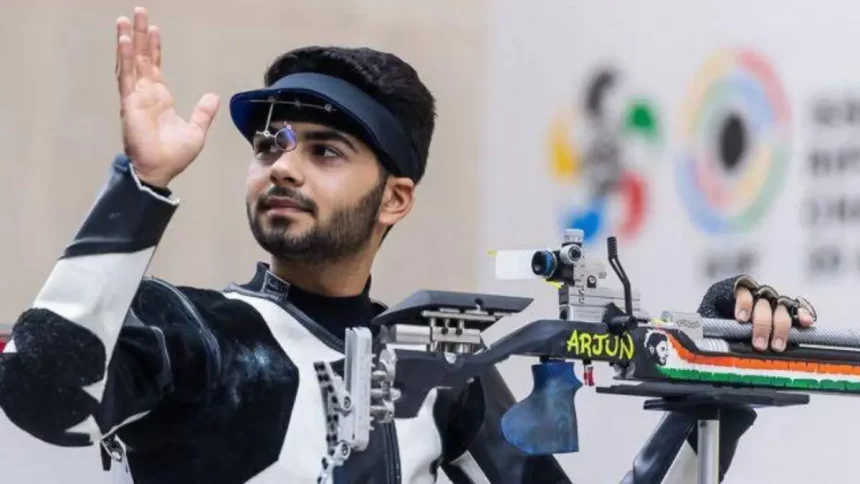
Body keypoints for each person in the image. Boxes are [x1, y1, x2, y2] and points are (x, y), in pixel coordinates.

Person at [0, 7, 818, 484]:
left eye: (323, 151)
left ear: (397, 197)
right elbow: (38, 392)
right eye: (270, 145)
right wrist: (138, 189)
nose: (283, 165)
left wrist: (713, 374)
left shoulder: (445, 376)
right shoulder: (186, 328)